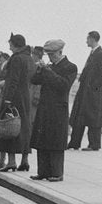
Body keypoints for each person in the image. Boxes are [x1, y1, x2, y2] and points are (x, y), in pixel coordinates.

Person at [29, 39, 78, 181]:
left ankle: (57, 173)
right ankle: (43, 171)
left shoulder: (70, 67)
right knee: (42, 139)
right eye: (48, 54)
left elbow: (63, 85)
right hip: (44, 107)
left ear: (60, 52)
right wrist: (39, 70)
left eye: (52, 54)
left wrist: (47, 71)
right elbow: (34, 80)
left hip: (57, 109)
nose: (50, 57)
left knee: (55, 141)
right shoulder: (49, 66)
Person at [0, 33, 35, 172]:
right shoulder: (29, 58)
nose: (9, 46)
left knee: (10, 127)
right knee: (24, 128)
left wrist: (8, 99)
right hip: (25, 96)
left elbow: (12, 80)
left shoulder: (16, 59)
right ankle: (25, 160)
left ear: (16, 44)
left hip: (14, 97)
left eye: (10, 44)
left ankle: (11, 162)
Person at [68, 30, 102, 151]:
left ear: (93, 39)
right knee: (81, 117)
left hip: (91, 93)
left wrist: (93, 87)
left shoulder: (101, 54)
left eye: (88, 39)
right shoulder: (94, 53)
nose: (86, 41)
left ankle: (93, 144)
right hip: (86, 92)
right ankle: (74, 143)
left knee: (92, 118)